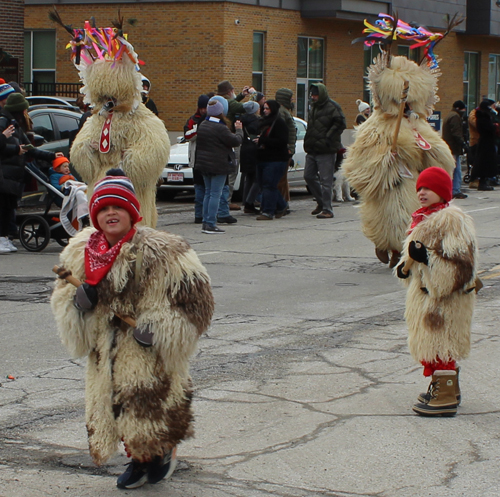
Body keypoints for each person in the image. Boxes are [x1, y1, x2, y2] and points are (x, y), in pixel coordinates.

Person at [51, 169, 214, 489]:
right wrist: (77, 304)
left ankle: (160, 452)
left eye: (118, 207)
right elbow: (63, 296)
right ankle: (138, 459)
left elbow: (197, 302)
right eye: (104, 208)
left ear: (132, 212)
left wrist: (160, 329)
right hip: (104, 349)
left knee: (150, 407)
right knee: (116, 407)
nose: (111, 213)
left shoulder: (166, 251)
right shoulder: (81, 251)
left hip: (147, 349)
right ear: (95, 214)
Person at [396, 167, 478, 417]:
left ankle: (444, 396)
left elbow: (460, 266)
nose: (421, 192)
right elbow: (412, 256)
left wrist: (429, 259)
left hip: (445, 300)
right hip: (427, 296)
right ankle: (445, 387)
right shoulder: (424, 218)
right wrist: (405, 268)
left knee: (442, 344)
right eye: (419, 187)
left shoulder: (452, 221)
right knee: (431, 345)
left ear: (442, 192)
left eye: (428, 188)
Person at [195, 98, 243, 234]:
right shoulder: (220, 127)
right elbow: (235, 141)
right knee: (215, 194)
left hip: (204, 164)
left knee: (208, 193)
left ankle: (206, 222)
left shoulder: (204, 124)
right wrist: (239, 130)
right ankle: (210, 223)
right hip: (218, 164)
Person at [303, 83, 346, 219]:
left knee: (326, 180)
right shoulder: (314, 108)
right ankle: (322, 203)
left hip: (327, 149)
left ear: (321, 94)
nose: (313, 97)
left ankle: (327, 209)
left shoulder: (332, 106)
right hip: (312, 147)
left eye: (315, 95)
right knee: (308, 176)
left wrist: (328, 137)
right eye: (312, 95)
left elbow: (341, 123)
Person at [217, 80, 253, 209]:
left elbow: (232, 104)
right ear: (229, 91)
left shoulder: (218, 101)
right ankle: (226, 201)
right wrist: (254, 96)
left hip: (220, 141)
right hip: (232, 138)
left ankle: (223, 201)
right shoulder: (230, 103)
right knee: (232, 171)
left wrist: (241, 96)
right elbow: (246, 107)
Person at [255, 100, 289, 220]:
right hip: (262, 157)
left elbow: (282, 141)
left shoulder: (279, 123)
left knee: (269, 184)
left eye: (267, 109)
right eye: (264, 108)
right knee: (265, 185)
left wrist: (263, 141)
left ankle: (268, 211)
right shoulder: (263, 123)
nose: (265, 111)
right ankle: (281, 206)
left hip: (276, 159)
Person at [0, 123, 25, 253]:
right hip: (4, 175)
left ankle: (4, 238)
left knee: (7, 209)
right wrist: (3, 136)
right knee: (3, 209)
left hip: (8, 177)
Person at [275, 88, 297, 209]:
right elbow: (285, 132)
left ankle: (284, 202)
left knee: (282, 178)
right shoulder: (282, 112)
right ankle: (282, 203)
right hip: (285, 150)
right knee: (281, 179)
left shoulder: (283, 112)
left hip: (286, 150)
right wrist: (289, 149)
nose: (292, 100)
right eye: (290, 98)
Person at [442, 100, 468, 199]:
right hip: (453, 147)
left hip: (449, 146)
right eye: (463, 109)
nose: (464, 111)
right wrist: (463, 144)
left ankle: (452, 189)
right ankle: (455, 190)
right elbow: (456, 133)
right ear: (458, 108)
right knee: (456, 170)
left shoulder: (450, 115)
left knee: (452, 168)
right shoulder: (455, 117)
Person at [240, 100, 261, 214]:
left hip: (244, 149)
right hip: (254, 150)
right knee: (258, 178)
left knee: (248, 177)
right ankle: (250, 201)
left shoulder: (241, 121)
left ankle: (246, 201)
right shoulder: (256, 122)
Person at [473, 100, 497, 191]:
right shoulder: (483, 118)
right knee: (484, 163)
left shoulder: (484, 117)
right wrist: (494, 127)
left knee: (487, 163)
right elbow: (489, 128)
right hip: (485, 143)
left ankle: (485, 181)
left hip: (487, 142)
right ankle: (482, 183)